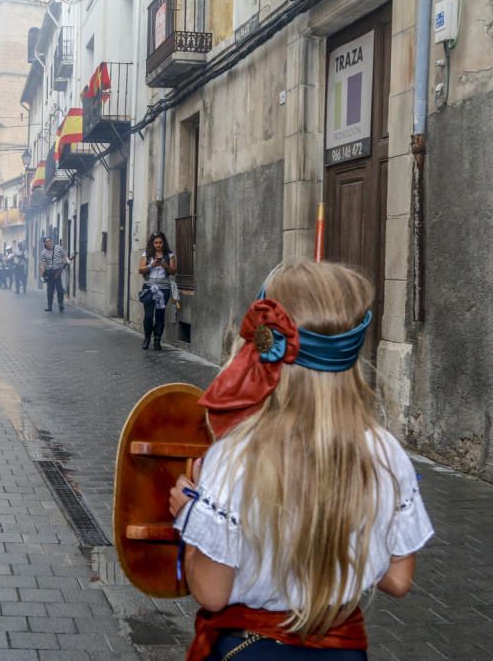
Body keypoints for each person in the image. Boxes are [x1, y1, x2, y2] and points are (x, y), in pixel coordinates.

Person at [167, 261, 433, 661]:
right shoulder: (385, 452)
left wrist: (191, 516)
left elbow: (212, 593)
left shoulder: (235, 456)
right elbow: (397, 579)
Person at [138, 232, 177, 350]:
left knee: (160, 315)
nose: (158, 245)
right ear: (152, 243)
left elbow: (173, 271)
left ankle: (157, 340)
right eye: (156, 243)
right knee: (148, 316)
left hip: (163, 289)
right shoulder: (147, 254)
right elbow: (140, 270)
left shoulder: (169, 255)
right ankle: (147, 338)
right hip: (149, 288)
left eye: (160, 242)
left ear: (163, 243)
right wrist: (152, 265)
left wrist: (165, 266)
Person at [39, 236, 68, 312]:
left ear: (52, 241)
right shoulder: (43, 253)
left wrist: (67, 260)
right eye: (47, 241)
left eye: (49, 241)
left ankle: (61, 305)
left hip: (58, 271)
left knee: (60, 289)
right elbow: (42, 264)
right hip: (49, 273)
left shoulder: (59, 248)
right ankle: (49, 306)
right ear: (44, 243)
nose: (48, 242)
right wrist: (41, 275)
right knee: (50, 291)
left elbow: (64, 255)